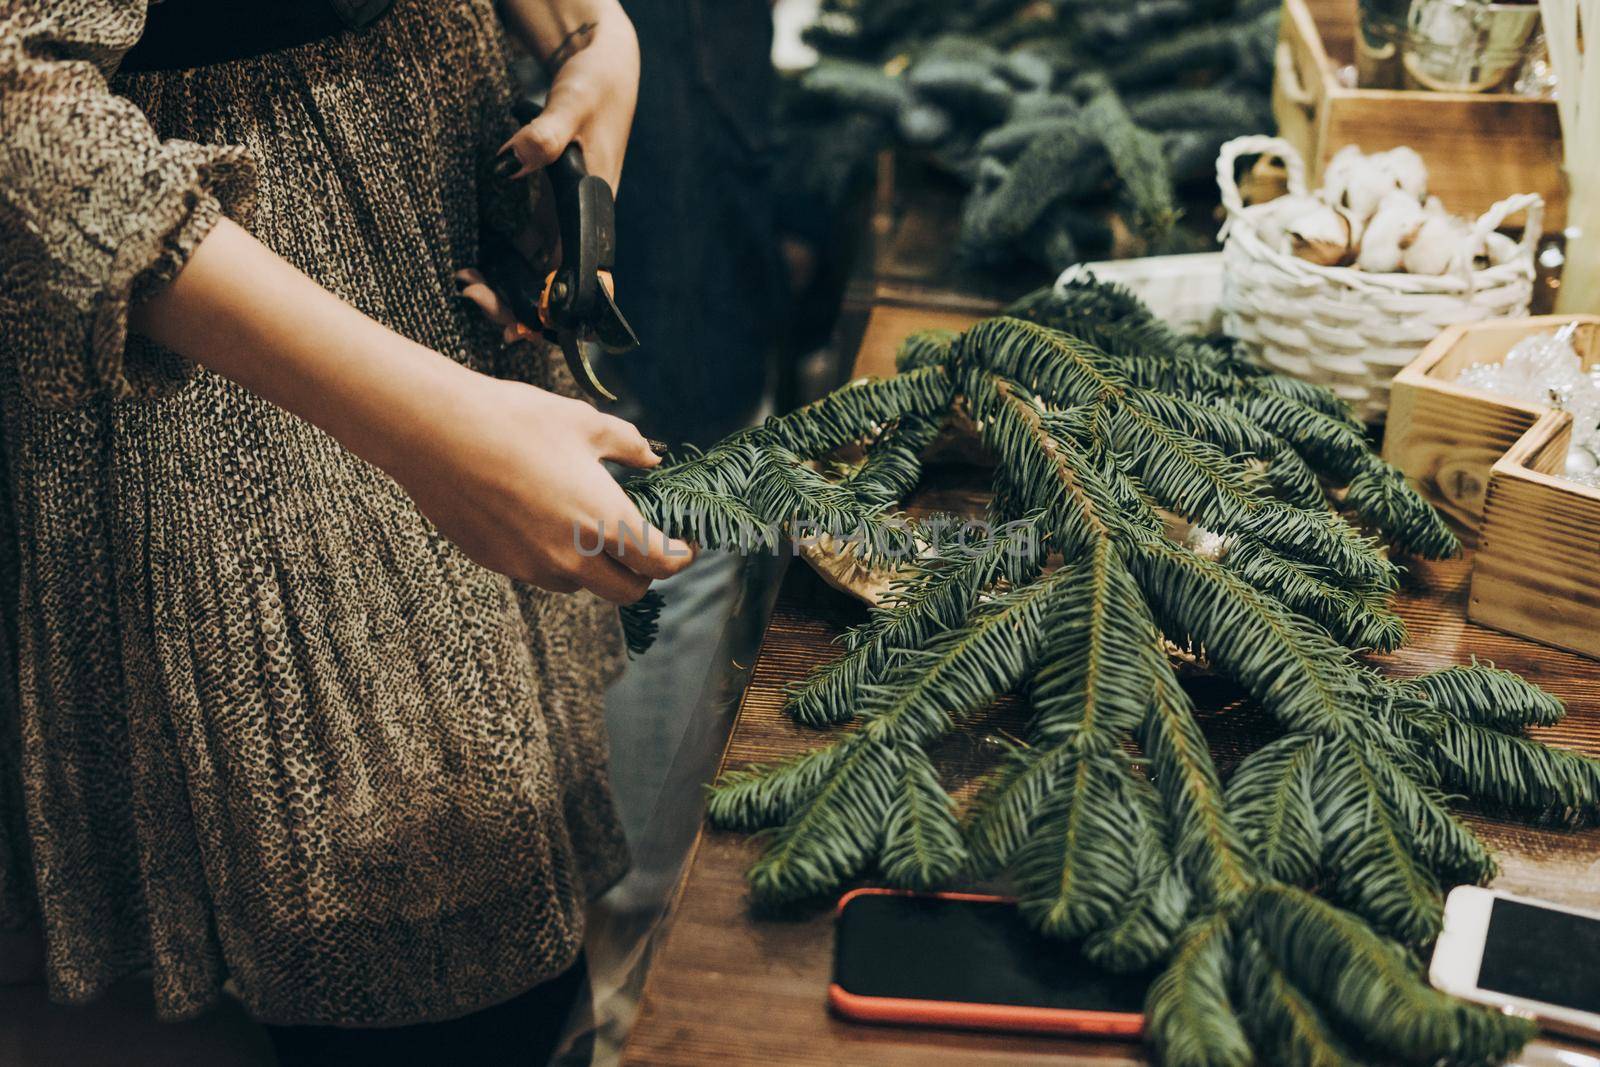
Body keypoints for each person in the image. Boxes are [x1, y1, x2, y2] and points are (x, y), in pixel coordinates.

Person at [0, 0, 690, 1061]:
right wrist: (423, 425)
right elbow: (16, 101)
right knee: (415, 965)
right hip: (236, 360)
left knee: (525, 960)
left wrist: (587, 31)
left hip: (442, 268)